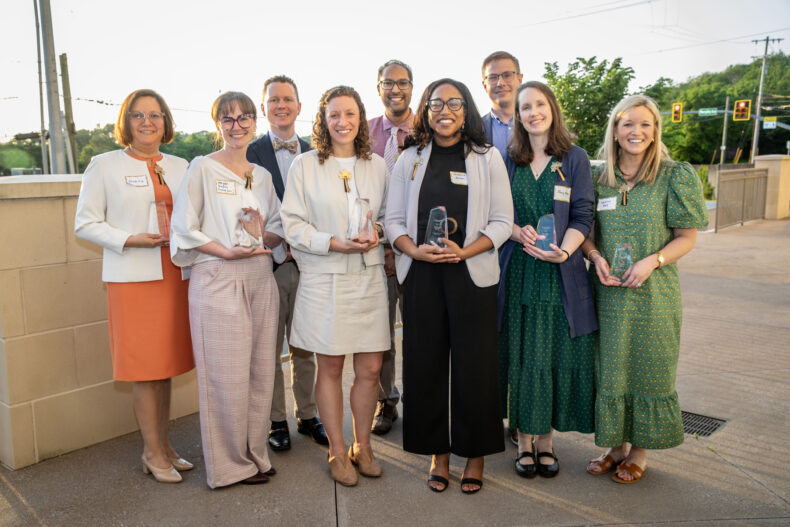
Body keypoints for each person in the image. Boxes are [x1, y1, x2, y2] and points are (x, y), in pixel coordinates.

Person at [385, 78, 513, 494]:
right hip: (422, 274)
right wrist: (414, 251)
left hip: (470, 273)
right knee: (426, 364)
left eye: (454, 102)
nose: (445, 110)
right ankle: (439, 454)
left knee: (476, 367)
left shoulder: (486, 156)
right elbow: (393, 221)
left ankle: (474, 456)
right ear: (425, 109)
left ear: (466, 109)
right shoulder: (411, 158)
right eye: (436, 102)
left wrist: (466, 251)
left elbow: (501, 222)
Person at [581, 95, 708, 484]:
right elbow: (586, 233)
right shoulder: (596, 175)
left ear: (655, 132)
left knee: (649, 370)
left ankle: (638, 451)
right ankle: (614, 447)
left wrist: (653, 261)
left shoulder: (674, 175)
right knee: (608, 370)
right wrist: (594, 257)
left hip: (653, 294)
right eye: (627, 124)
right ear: (615, 132)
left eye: (645, 125)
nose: (636, 132)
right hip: (605, 292)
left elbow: (687, 237)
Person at [74, 89, 194, 483]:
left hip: (175, 276)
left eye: (156, 115)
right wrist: (129, 239)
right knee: (145, 369)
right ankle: (151, 451)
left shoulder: (181, 166)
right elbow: (85, 224)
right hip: (134, 279)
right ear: (126, 121)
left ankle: (165, 445)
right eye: (139, 115)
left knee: (166, 367)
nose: (148, 122)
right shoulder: (104, 165)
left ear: (166, 122)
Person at [170, 91, 285, 488]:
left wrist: (259, 237)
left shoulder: (263, 176)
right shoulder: (202, 168)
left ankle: (255, 454)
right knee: (225, 376)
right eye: (228, 119)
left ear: (256, 122)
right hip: (218, 275)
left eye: (245, 118)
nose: (237, 126)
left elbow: (277, 231)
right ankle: (228, 466)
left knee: (259, 373)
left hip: (259, 276)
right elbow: (184, 227)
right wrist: (225, 250)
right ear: (217, 124)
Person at [280, 85, 389, 487]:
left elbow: (388, 217)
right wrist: (332, 243)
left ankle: (364, 446)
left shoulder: (376, 165)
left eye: (350, 115)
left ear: (361, 119)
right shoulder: (305, 166)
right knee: (330, 366)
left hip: (367, 275)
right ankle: (337, 452)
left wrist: (375, 232)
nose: (342, 122)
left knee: (371, 367)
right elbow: (291, 224)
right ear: (323, 121)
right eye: (334, 115)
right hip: (325, 276)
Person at [498, 81, 597, 480]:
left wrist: (567, 250)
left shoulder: (574, 158)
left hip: (560, 275)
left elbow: (584, 213)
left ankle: (546, 442)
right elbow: (494, 211)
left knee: (551, 356)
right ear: (518, 116)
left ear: (552, 109)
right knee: (521, 355)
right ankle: (523, 441)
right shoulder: (508, 158)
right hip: (518, 270)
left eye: (540, 104)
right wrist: (515, 229)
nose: (533, 112)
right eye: (525, 107)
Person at [246, 75, 328, 451]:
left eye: (287, 99)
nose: (281, 105)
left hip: (310, 265)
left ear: (299, 106)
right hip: (270, 265)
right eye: (273, 100)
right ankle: (275, 420)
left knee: (306, 346)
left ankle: (308, 414)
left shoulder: (318, 151)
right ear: (264, 108)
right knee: (268, 347)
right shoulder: (248, 154)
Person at [367, 59, 415, 435]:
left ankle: (423, 399)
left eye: (402, 82)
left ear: (412, 87)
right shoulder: (363, 134)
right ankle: (386, 402)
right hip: (375, 254)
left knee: (421, 333)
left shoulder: (432, 129)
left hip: (420, 255)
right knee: (380, 336)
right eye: (388, 83)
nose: (395, 89)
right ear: (378, 87)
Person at [481, 51, 524, 161]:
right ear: (485, 85)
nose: (500, 83)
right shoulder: (474, 130)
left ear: (520, 79)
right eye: (493, 77)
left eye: (507, 75)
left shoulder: (537, 123)